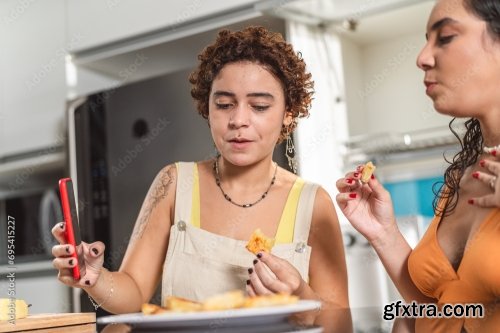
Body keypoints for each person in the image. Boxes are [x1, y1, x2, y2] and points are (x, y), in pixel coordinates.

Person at [51, 26, 349, 320]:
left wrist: (301, 297)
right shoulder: (174, 183)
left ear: (288, 114)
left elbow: (342, 325)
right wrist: (95, 276)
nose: (238, 120)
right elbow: (133, 293)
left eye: (259, 106)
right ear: (208, 108)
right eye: (224, 104)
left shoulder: (313, 203)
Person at [336, 0, 500, 307]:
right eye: (426, 41)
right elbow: (439, 305)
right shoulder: (461, 176)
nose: (422, 58)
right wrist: (383, 233)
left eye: (446, 37)